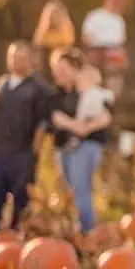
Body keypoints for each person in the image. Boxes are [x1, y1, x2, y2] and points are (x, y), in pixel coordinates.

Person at [49, 52, 114, 235]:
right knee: (70, 190)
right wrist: (75, 126)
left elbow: (106, 115)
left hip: (85, 146)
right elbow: (55, 117)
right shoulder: (57, 94)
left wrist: (85, 128)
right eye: (57, 70)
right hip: (64, 147)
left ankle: (88, 231)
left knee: (80, 188)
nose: (59, 74)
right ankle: (75, 229)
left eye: (63, 69)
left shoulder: (90, 91)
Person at [0, 41, 50, 230]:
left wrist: (33, 154)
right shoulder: (2, 84)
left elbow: (43, 123)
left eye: (21, 58)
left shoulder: (39, 88)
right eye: (13, 57)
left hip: (23, 152)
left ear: (30, 59)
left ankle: (16, 235)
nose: (17, 62)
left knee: (21, 198)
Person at [81, 0, 128, 96]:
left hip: (114, 54)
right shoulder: (95, 16)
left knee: (115, 80)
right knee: (95, 80)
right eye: (113, 1)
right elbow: (86, 36)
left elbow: (121, 42)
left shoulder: (119, 20)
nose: (115, 4)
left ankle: (113, 101)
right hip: (97, 52)